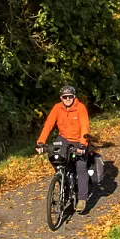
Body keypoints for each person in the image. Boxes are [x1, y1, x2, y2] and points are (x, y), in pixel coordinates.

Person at [37, 85, 93, 213]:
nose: (67, 99)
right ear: (61, 98)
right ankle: (63, 178)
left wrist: (83, 144)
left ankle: (82, 199)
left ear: (74, 97)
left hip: (79, 139)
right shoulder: (57, 108)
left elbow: (85, 126)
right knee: (56, 158)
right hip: (63, 139)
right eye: (65, 97)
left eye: (70, 97)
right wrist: (41, 142)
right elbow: (49, 124)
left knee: (81, 167)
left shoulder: (80, 108)